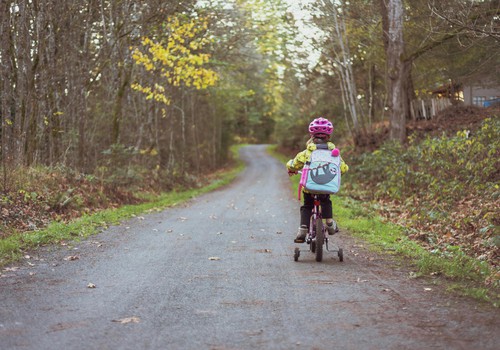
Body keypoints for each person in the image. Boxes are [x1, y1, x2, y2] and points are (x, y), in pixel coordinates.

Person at [286, 117, 349, 243]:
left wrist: (290, 167)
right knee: (326, 201)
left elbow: (294, 164)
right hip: (326, 187)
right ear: (328, 137)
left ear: (311, 135)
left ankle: (303, 229)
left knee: (307, 206)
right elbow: (343, 168)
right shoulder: (334, 153)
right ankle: (330, 223)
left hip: (309, 187)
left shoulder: (307, 152)